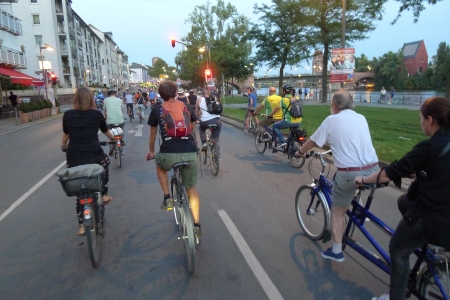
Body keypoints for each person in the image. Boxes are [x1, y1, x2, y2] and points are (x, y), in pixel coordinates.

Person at [353, 96, 450, 300]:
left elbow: (391, 172)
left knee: (397, 250)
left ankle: (394, 297)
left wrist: (363, 179)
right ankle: (425, 244)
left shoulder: (429, 147)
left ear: (430, 120)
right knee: (402, 201)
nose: (421, 122)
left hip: (430, 214)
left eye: (421, 118)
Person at [296, 89, 379, 262]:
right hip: (374, 170)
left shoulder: (331, 120)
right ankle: (358, 213)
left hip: (351, 173)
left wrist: (300, 152)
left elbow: (312, 142)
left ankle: (336, 251)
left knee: (337, 211)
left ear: (335, 105)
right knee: (346, 185)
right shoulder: (361, 117)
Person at [146, 81, 202, 238]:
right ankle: (197, 226)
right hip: (189, 150)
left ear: (160, 93)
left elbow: (152, 134)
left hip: (168, 152)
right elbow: (192, 128)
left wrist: (151, 151)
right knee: (191, 189)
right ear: (176, 92)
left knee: (160, 165)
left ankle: (167, 198)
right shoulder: (187, 106)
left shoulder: (157, 109)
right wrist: (194, 144)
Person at [61, 87, 116, 236]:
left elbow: (66, 135)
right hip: (94, 154)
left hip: (74, 157)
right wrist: (113, 139)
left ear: (75, 99)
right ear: (91, 99)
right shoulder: (96, 115)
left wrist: (63, 146)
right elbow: (106, 131)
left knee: (81, 191)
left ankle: (81, 225)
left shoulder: (68, 115)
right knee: (105, 165)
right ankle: (104, 194)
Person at [196, 89, 222, 156]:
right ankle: (217, 156)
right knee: (216, 138)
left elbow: (197, 111)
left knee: (201, 129)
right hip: (217, 121)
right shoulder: (214, 99)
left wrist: (197, 119)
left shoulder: (199, 99)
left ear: (202, 94)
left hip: (205, 121)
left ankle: (204, 143)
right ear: (209, 93)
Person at [103, 88, 125, 156]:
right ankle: (122, 141)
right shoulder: (119, 100)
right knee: (121, 131)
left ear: (109, 94)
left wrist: (106, 118)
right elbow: (122, 111)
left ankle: (111, 148)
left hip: (110, 121)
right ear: (115, 94)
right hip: (120, 120)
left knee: (109, 133)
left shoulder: (105, 100)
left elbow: (105, 111)